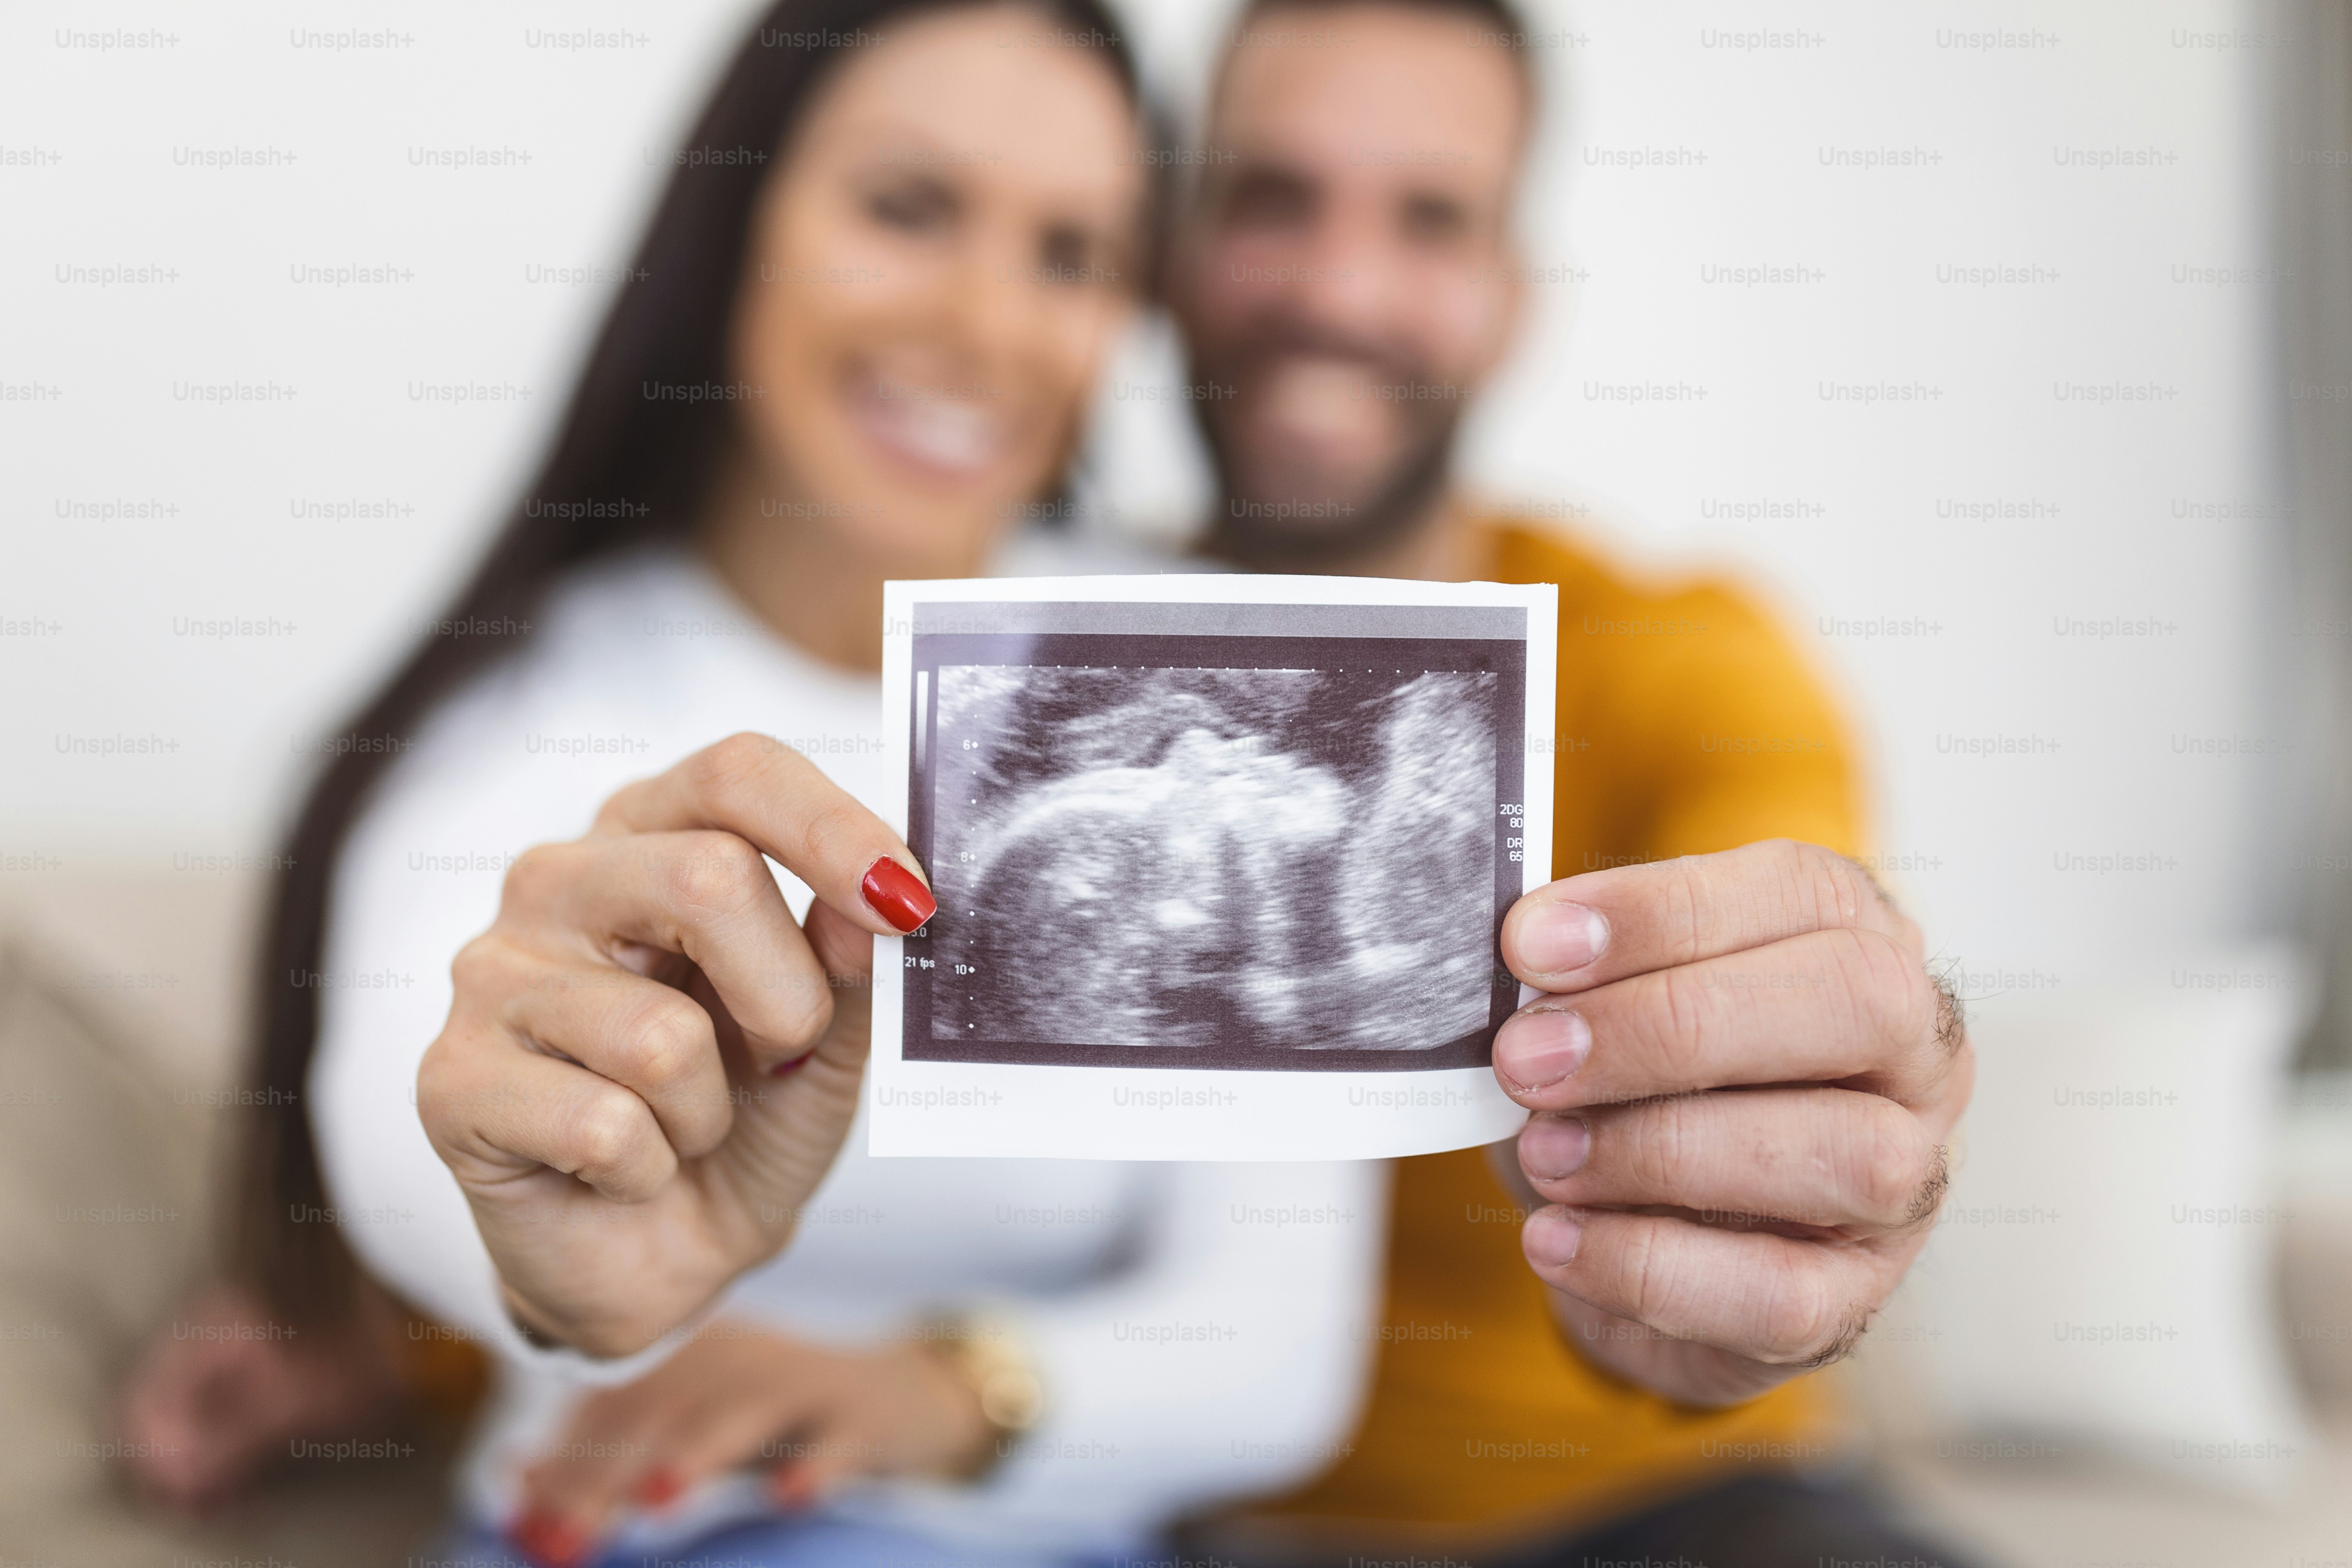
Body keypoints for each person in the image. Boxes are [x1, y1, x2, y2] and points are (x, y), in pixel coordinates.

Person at [120, 3, 1384, 1564]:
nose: (987, 324)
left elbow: (1282, 1346)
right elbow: (410, 1098)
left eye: (1072, 254)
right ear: (739, 226)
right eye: (907, 206)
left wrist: (928, 1393)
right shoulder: (530, 704)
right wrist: (546, 1253)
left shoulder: (1211, 684)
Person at [1158, 0, 1978, 1561]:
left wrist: (1843, 1085)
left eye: (1430, 217)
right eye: (1273, 199)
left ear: (1511, 299)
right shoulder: (1018, 672)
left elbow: (1808, 916)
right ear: (1175, 247)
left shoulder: (1687, 665)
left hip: (1670, 1506)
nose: (1339, 287)